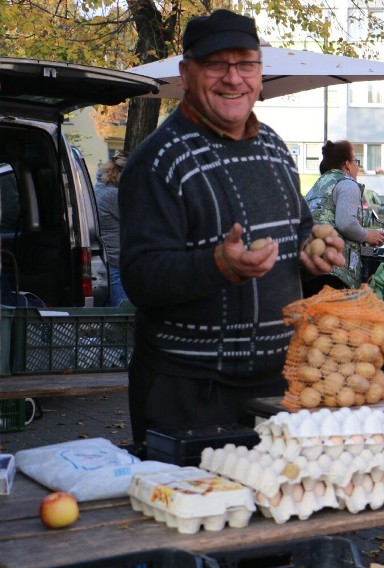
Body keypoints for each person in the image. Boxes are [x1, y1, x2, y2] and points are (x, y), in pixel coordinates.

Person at [118, 9, 344, 446]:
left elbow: (298, 232)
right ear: (187, 72)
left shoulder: (275, 148)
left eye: (245, 64)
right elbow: (141, 278)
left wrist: (311, 255)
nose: (233, 78)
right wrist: (219, 264)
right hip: (187, 392)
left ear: (260, 73)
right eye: (216, 64)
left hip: (277, 385)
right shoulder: (157, 160)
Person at [303, 140, 384, 296]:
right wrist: (367, 235)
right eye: (356, 161)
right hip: (335, 270)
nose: (357, 166)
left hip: (310, 266)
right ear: (347, 164)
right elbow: (346, 223)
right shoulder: (347, 183)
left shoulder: (319, 184)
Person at [94, 150, 130, 307]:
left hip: (107, 257)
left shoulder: (100, 189)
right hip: (115, 259)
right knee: (122, 309)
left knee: (111, 311)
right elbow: (136, 220)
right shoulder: (113, 195)